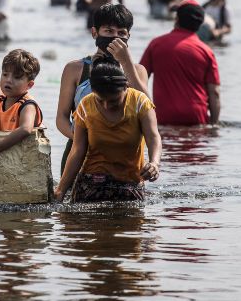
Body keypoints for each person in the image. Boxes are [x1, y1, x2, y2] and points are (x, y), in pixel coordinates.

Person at [55, 4, 149, 174]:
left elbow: (149, 110)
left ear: (129, 36)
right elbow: (61, 117)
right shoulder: (75, 69)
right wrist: (81, 138)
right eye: (109, 31)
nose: (115, 37)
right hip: (80, 154)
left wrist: (126, 63)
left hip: (125, 156)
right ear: (95, 33)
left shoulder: (138, 71)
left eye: (121, 33)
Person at [54, 58, 162, 202]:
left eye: (113, 101)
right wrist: (60, 190)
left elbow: (153, 137)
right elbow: (78, 150)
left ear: (126, 87)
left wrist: (154, 162)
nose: (106, 106)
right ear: (93, 91)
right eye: (100, 100)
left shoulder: (140, 103)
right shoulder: (86, 105)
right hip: (91, 182)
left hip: (129, 183)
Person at [140, 0, 221, 126]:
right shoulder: (207, 52)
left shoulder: (156, 44)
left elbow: (139, 80)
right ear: (199, 25)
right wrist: (214, 124)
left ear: (176, 19)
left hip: (163, 116)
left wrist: (145, 114)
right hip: (196, 117)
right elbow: (214, 93)